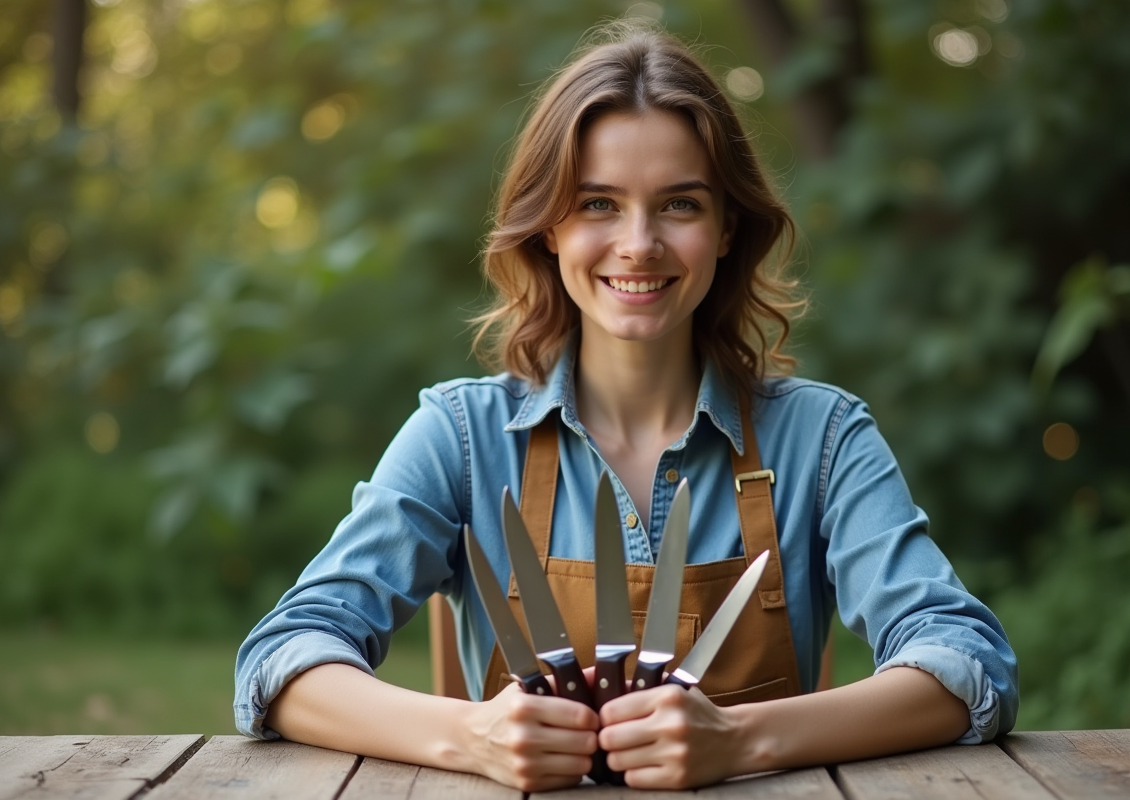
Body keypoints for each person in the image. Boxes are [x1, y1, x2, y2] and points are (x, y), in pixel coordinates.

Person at [234, 20, 1018, 791]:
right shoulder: (462, 437)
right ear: (548, 229)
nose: (638, 243)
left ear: (724, 228)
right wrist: (469, 739)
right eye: (598, 204)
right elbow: (286, 656)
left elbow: (964, 661)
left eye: (678, 205)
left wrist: (741, 742)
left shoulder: (821, 438)